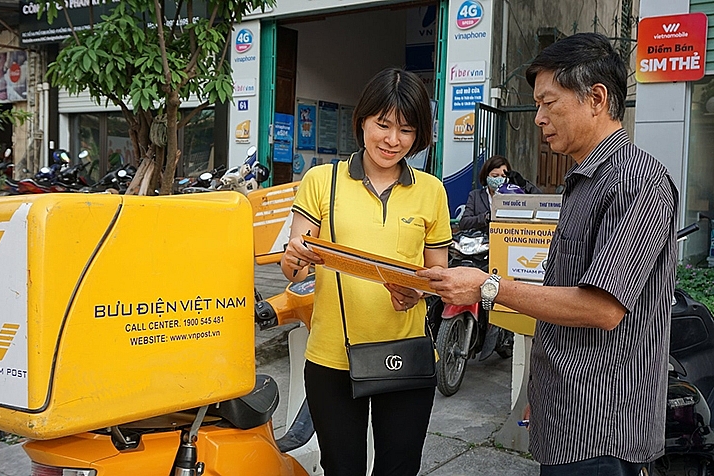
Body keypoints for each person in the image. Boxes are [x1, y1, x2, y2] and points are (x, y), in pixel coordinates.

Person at [418, 32, 678, 476]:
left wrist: (487, 285)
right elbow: (563, 294)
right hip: (567, 414)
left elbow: (601, 307)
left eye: (548, 102)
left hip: (604, 430)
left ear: (596, 98)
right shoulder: (584, 180)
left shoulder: (637, 182)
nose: (538, 118)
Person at [281, 68, 452, 476]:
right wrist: (295, 259)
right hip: (331, 359)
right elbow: (294, 265)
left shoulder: (432, 190)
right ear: (362, 121)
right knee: (342, 468)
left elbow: (438, 272)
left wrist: (419, 291)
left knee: (399, 467)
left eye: (406, 130)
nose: (392, 140)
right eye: (383, 124)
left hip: (405, 355)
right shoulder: (322, 181)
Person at [459, 155, 540, 233]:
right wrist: (486, 217)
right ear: (486, 176)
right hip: (483, 242)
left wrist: (524, 184)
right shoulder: (475, 196)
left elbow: (540, 200)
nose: (499, 179)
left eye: (503, 176)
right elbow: (464, 223)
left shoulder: (514, 196)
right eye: (495, 176)